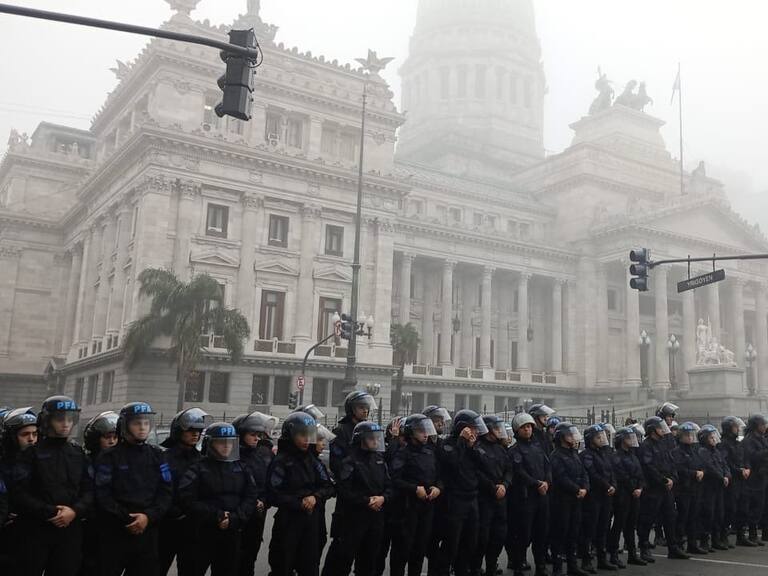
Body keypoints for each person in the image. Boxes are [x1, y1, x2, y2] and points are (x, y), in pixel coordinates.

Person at [14, 395, 92, 576]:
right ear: (47, 421)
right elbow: (19, 492)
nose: (65, 424)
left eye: (69, 419)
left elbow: (89, 489)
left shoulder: (78, 453)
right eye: (59, 419)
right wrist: (50, 511)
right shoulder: (30, 454)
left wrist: (74, 511)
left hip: (70, 529)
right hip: (35, 529)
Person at [94, 401, 172, 576]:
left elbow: (166, 492)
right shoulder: (109, 456)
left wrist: (148, 517)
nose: (142, 428)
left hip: (148, 532)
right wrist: (126, 517)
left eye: (146, 423)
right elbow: (102, 493)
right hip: (115, 531)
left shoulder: (157, 455)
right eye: (137, 423)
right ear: (125, 425)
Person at [179, 422, 258, 576]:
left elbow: (250, 496)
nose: (226, 446)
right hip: (202, 532)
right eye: (221, 442)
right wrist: (216, 515)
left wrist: (235, 518)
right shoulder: (198, 468)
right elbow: (187, 499)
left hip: (232, 531)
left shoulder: (242, 468)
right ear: (210, 443)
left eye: (230, 442)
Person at [267, 412, 334, 576]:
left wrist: (315, 497)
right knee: (282, 565)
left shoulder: (313, 460)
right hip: (288, 521)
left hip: (312, 521)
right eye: (301, 435)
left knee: (310, 566)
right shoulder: (281, 461)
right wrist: (298, 503)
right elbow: (272, 493)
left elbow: (329, 487)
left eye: (309, 435)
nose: (306, 440)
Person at [322, 421, 391, 576]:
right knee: (342, 561)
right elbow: (344, 491)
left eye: (377, 437)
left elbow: (389, 485)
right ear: (361, 439)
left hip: (375, 519)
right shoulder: (350, 462)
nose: (376, 441)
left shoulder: (379, 460)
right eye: (372, 438)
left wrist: (383, 498)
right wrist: (367, 501)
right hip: (353, 520)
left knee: (368, 562)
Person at [325, 391, 377, 575]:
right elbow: (337, 465)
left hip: (369, 497)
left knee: (367, 553)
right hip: (350, 498)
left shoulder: (370, 429)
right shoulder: (341, 431)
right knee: (342, 551)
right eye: (361, 407)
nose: (365, 411)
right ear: (351, 409)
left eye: (367, 407)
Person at [430, 409, 487, 576]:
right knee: (451, 543)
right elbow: (452, 463)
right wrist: (462, 442)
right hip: (455, 500)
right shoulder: (448, 444)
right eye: (473, 428)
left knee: (471, 542)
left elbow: (484, 465)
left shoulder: (473, 446)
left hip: (472, 499)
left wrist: (471, 447)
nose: (476, 432)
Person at [158, 407, 210, 576]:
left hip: (193, 525)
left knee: (191, 569)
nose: (196, 434)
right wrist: (172, 511)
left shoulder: (202, 460)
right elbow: (161, 488)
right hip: (167, 524)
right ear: (179, 431)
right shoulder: (164, 458)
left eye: (199, 430)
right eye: (191, 430)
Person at [389, 413, 441, 576]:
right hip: (407, 508)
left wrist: (438, 487)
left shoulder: (430, 452)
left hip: (427, 506)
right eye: (421, 431)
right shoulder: (403, 453)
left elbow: (439, 475)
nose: (425, 434)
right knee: (402, 550)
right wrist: (413, 489)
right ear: (411, 432)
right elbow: (394, 478)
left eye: (426, 430)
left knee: (419, 549)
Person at [636, 417, 689, 562]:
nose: (663, 429)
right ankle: (644, 548)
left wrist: (672, 478)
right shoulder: (646, 446)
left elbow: (671, 463)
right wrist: (664, 480)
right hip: (653, 489)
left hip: (666, 488)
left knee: (670, 517)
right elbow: (648, 467)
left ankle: (673, 547)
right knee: (648, 518)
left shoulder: (663, 444)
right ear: (652, 429)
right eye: (659, 427)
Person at [235, 410, 278, 576]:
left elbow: (268, 484)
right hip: (237, 515)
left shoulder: (261, 456)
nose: (257, 438)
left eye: (258, 434)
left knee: (250, 557)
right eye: (252, 434)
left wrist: (263, 501)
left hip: (258, 515)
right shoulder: (232, 457)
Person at [508, 412, 551, 576]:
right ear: (517, 430)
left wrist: (547, 481)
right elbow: (519, 472)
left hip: (542, 495)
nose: (527, 430)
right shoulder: (515, 450)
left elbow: (547, 466)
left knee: (541, 533)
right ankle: (518, 566)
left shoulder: (538, 447)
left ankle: (540, 566)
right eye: (524, 427)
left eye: (529, 427)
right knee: (523, 535)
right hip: (526, 497)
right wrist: (537, 483)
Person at [470, 415, 513, 576]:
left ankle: (491, 565)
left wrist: (505, 485)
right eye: (496, 428)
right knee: (482, 536)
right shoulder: (477, 447)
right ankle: (475, 567)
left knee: (499, 535)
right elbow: (477, 472)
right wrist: (492, 487)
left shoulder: (500, 448)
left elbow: (509, 469)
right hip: (485, 498)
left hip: (501, 498)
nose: (499, 431)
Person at [81, 411, 119, 576]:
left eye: (115, 437)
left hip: (113, 524)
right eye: (107, 437)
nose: (112, 441)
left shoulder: (121, 461)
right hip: (90, 523)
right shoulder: (86, 461)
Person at [0, 406, 37, 574]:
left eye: (34, 434)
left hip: (30, 527)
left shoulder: (41, 460)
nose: (31, 439)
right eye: (25, 435)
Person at [549, 422, 589, 576]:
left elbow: (584, 473)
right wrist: (577, 489)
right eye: (569, 435)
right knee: (560, 532)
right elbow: (560, 477)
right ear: (561, 437)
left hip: (576, 499)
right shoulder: (556, 456)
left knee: (574, 532)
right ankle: (557, 567)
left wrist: (585, 488)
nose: (573, 437)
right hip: (562, 500)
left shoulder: (574, 453)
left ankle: (572, 566)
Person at [578, 424, 617, 573]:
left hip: (606, 496)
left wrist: (613, 485)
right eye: (598, 437)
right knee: (590, 529)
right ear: (590, 439)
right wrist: (607, 486)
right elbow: (593, 474)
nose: (602, 439)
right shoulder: (586, 455)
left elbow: (611, 471)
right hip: (594, 497)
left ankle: (602, 559)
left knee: (603, 528)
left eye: (602, 436)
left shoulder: (604, 453)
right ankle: (586, 560)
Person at [607, 426, 644, 567]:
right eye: (629, 438)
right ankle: (613, 554)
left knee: (631, 524)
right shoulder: (616, 456)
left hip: (635, 494)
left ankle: (633, 554)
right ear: (622, 440)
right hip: (623, 494)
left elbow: (640, 474)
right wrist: (633, 488)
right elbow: (622, 476)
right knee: (619, 524)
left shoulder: (633, 455)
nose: (632, 440)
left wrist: (640, 487)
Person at [670, 422, 705, 555]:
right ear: (681, 437)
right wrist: (694, 473)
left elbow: (702, 464)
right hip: (683, 489)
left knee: (693, 517)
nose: (690, 438)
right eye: (687, 435)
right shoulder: (677, 451)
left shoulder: (695, 450)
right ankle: (679, 544)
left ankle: (692, 544)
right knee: (682, 517)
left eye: (691, 435)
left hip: (695, 488)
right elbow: (679, 469)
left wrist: (702, 471)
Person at [719, 416, 754, 547]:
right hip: (733, 481)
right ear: (728, 428)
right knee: (730, 509)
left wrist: (748, 468)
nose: (737, 429)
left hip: (742, 480)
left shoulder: (738, 443)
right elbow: (725, 462)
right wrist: (739, 470)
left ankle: (741, 536)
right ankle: (723, 536)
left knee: (743, 508)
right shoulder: (724, 444)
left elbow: (746, 458)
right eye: (735, 427)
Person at [697, 425, 730, 552]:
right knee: (708, 513)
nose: (714, 439)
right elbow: (709, 467)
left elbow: (724, 465)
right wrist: (721, 477)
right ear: (704, 439)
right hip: (709, 487)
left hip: (719, 487)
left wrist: (727, 475)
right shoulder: (703, 451)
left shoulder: (716, 451)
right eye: (711, 437)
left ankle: (716, 540)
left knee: (719, 513)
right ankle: (705, 541)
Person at [741, 414, 768, 545]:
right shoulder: (749, 440)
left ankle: (755, 534)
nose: (764, 427)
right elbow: (752, 456)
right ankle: (751, 534)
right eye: (762, 424)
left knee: (760, 506)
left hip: (762, 476)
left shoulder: (762, 439)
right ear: (756, 426)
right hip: (753, 478)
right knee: (752, 506)